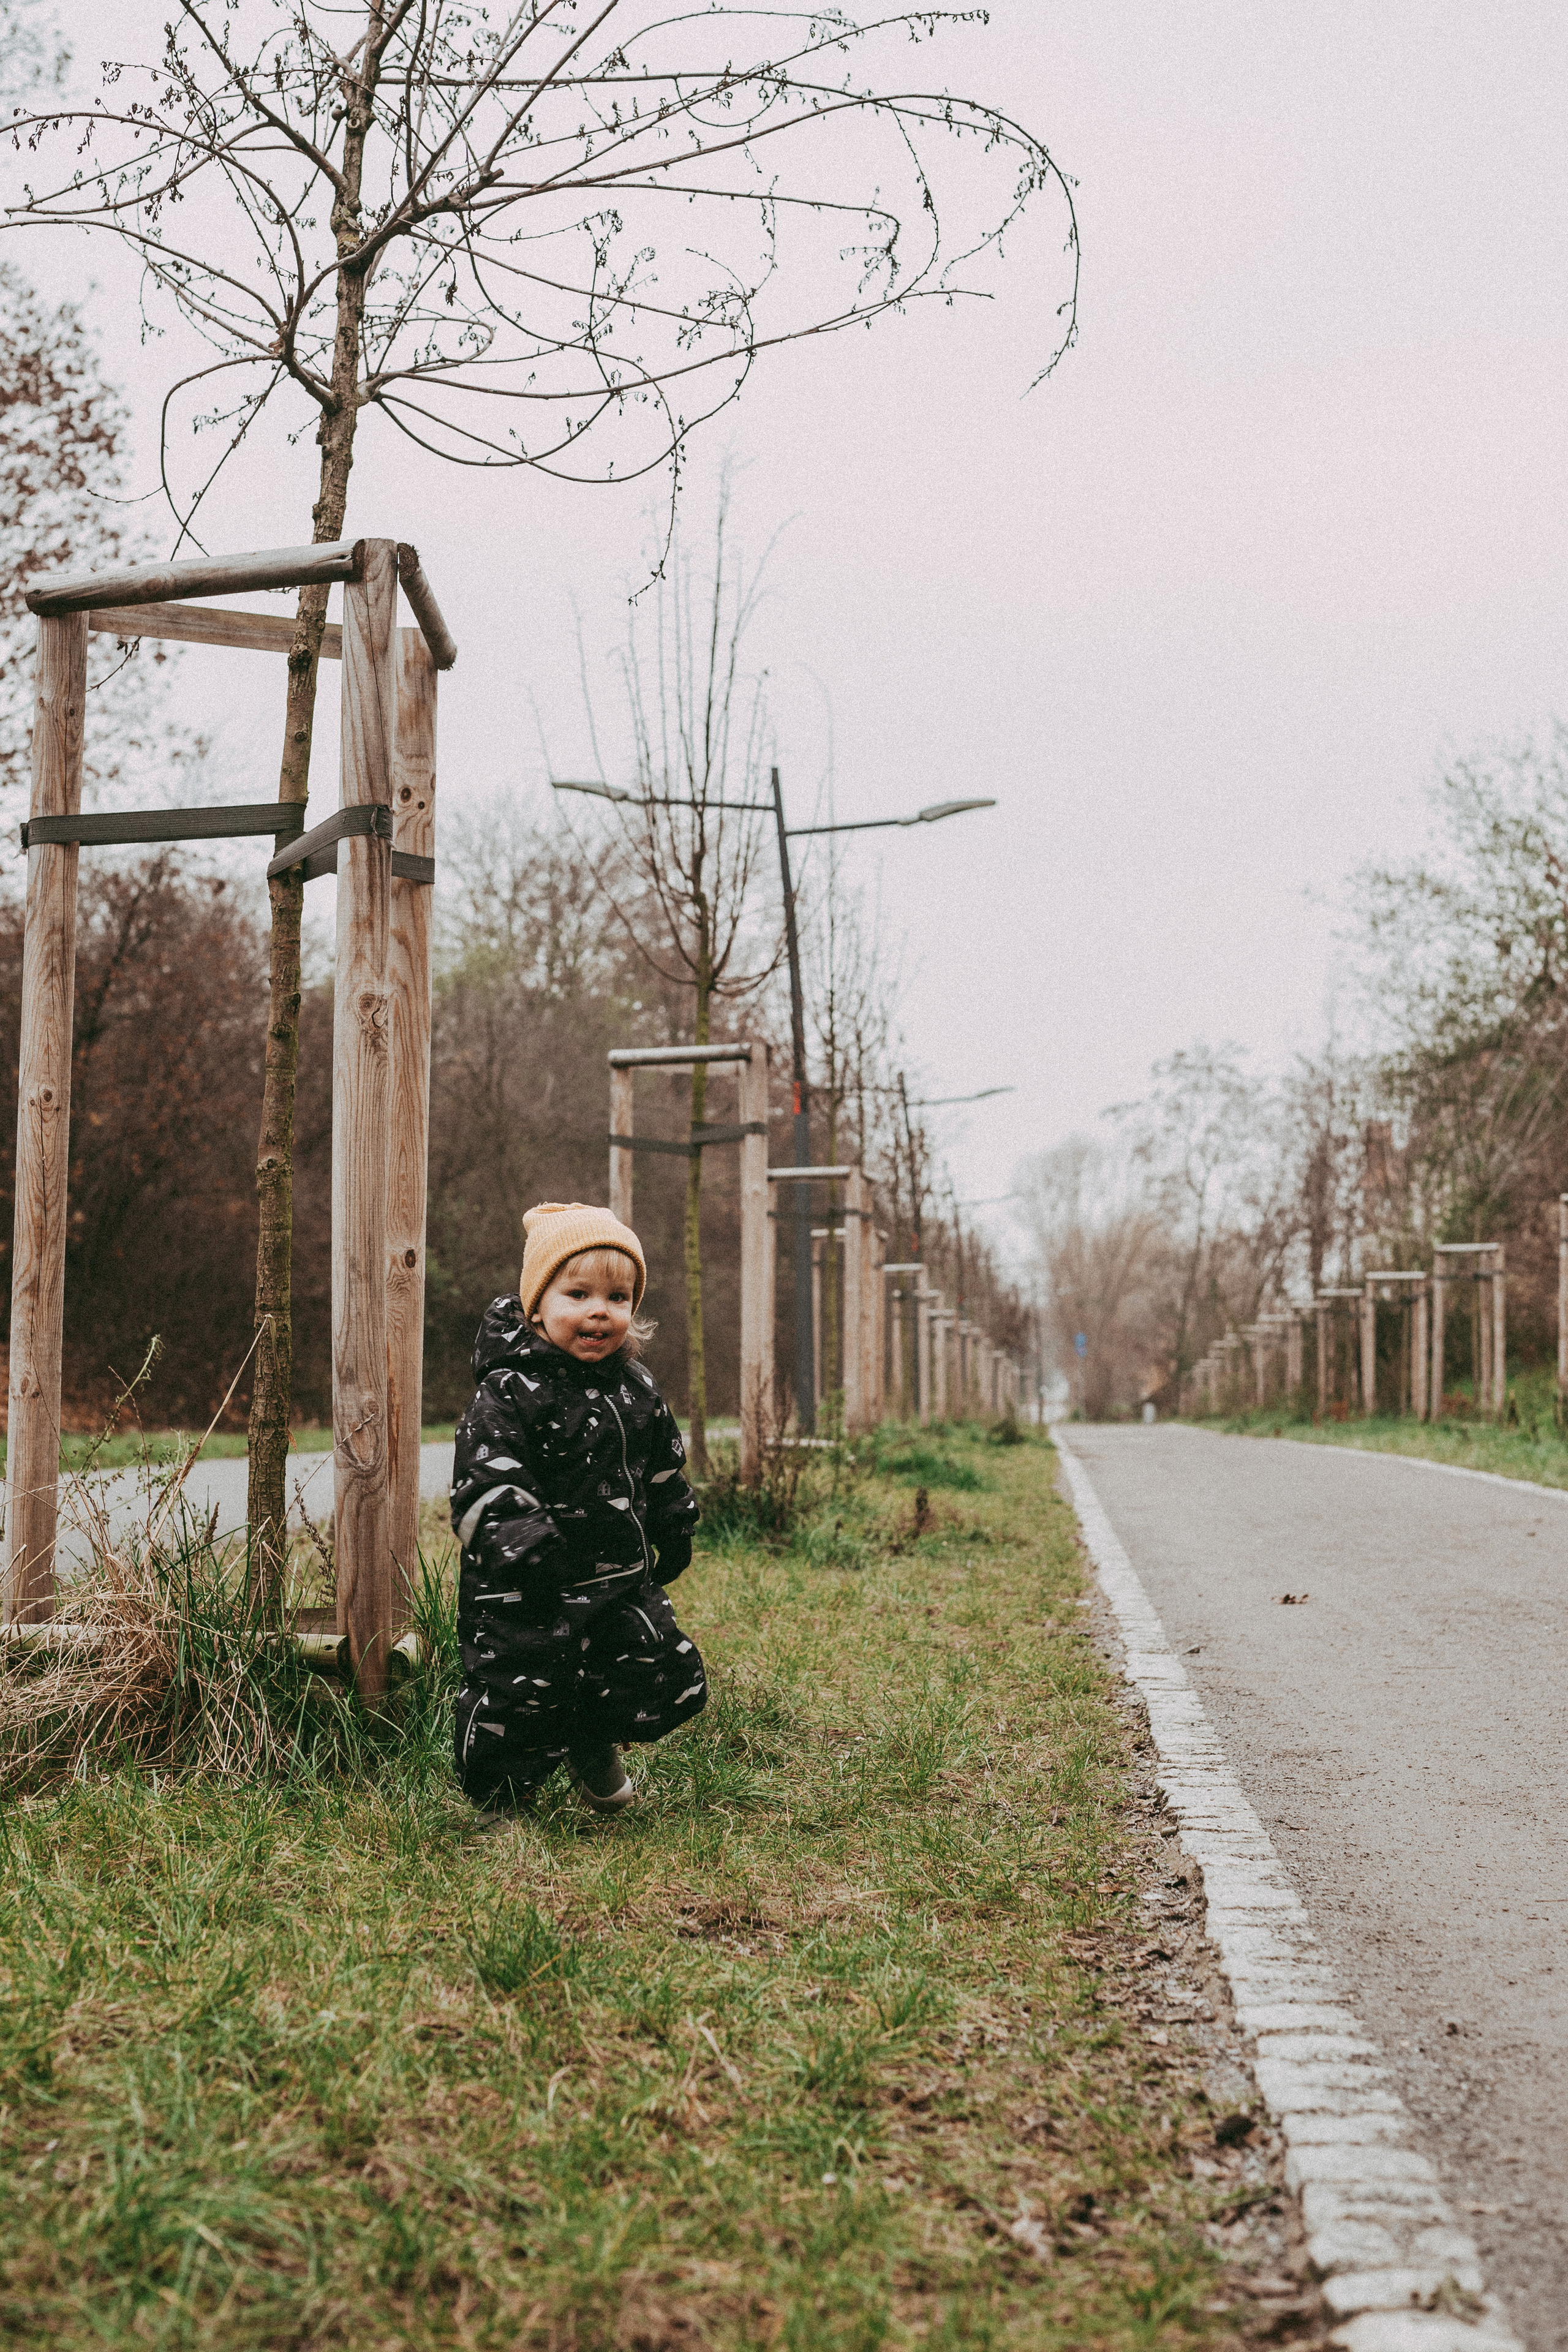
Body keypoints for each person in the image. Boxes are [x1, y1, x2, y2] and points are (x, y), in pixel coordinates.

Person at [450, 1200, 706, 1817]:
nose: (599, 1311)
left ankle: (591, 1747)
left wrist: (674, 1524)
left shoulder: (637, 1388)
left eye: (618, 1298)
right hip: (526, 1586)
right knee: (520, 1691)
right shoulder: (509, 1391)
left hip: (617, 1579)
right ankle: (501, 1800)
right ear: (536, 1306)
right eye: (578, 1294)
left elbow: (663, 1468)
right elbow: (487, 1479)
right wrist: (526, 1544)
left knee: (631, 1669)